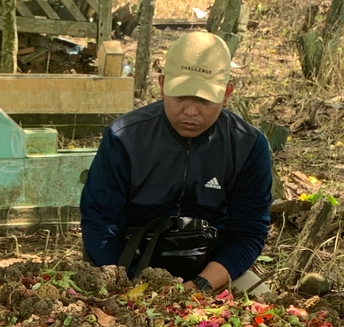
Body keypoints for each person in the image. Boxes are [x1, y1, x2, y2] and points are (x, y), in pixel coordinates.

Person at [80, 32, 272, 297]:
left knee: (264, 300)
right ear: (161, 85)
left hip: (210, 269)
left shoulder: (248, 146)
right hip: (126, 263)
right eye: (180, 96)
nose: (191, 111)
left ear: (226, 94)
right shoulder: (123, 137)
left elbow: (248, 233)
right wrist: (126, 284)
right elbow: (99, 221)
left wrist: (198, 287)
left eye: (204, 100)